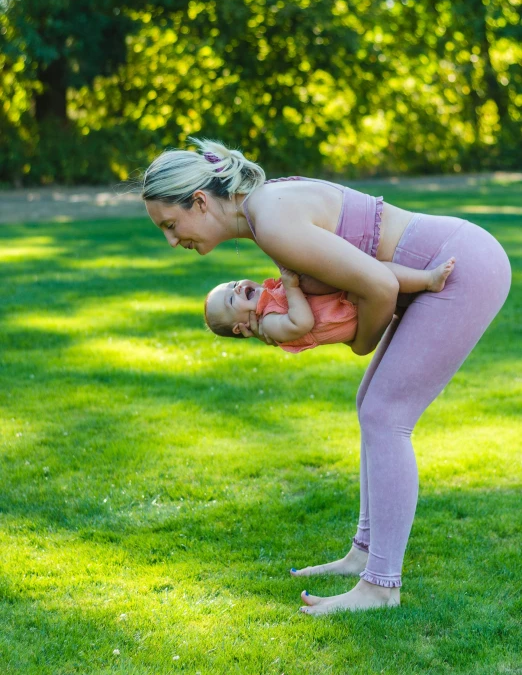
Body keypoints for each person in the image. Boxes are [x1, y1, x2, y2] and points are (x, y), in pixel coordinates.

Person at [142, 138, 511, 615]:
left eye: (171, 226)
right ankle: (364, 553)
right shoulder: (264, 209)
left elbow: (378, 286)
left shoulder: (269, 220)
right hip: (450, 262)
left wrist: (360, 343)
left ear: (199, 201)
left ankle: (381, 586)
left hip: (460, 267)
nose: (173, 241)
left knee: (385, 415)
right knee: (372, 407)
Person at [204, 259, 456, 352]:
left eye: (233, 283)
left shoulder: (269, 301)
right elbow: (303, 322)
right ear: (240, 327)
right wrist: (291, 287)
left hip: (340, 302)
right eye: (230, 298)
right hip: (345, 313)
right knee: (377, 274)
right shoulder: (270, 325)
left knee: (375, 272)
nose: (236, 287)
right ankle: (428, 280)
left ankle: (417, 293)